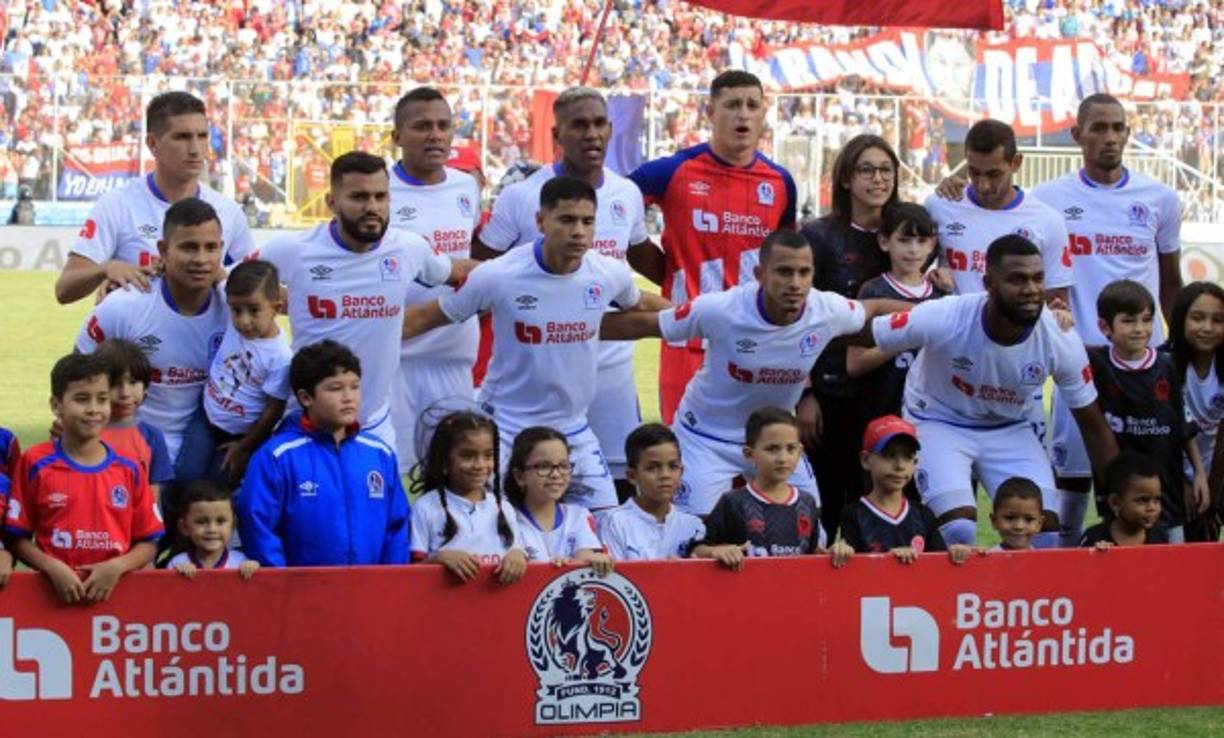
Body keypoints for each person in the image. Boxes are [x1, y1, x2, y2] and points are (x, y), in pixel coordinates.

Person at [937, 95, 1183, 519]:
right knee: (1071, 473)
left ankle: (1152, 568)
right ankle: (1070, 563)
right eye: (1099, 128)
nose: (1109, 137)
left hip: (1144, 360)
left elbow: (1171, 281)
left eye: (1117, 128)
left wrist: (1175, 352)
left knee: (1150, 474)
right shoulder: (1048, 200)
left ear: (1128, 132)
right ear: (1077, 135)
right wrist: (953, 188)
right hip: (1079, 355)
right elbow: (992, 212)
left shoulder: (1161, 199)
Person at [402, 176, 668, 514]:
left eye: (588, 221)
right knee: (491, 526)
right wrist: (364, 333)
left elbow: (640, 303)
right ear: (540, 221)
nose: (579, 231)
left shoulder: (608, 273)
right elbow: (428, 317)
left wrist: (698, 318)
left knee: (607, 527)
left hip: (574, 426)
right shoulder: (499, 275)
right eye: (567, 220)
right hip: (507, 424)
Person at [601, 229, 907, 515]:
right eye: (784, 272)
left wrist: (941, 312)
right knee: (693, 537)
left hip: (775, 441)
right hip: (706, 436)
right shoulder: (721, 309)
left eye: (804, 273)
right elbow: (646, 324)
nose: (796, 283)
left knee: (811, 529)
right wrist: (569, 327)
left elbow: (876, 307)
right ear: (759, 274)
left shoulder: (827, 310)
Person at [870, 235, 1120, 548]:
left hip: (1008, 426)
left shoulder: (1060, 338)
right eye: (1017, 279)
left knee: (1045, 535)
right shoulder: (947, 316)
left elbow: (1093, 424)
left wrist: (1116, 502)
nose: (1030, 289)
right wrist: (803, 333)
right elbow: (869, 329)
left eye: (1037, 278)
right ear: (989, 283)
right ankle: (954, 598)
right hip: (938, 419)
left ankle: (1022, 599)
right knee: (957, 531)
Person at [473, 87, 654, 495]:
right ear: (557, 134)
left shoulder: (626, 194)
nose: (591, 134)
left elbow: (639, 259)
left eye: (598, 124)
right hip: (541, 374)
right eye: (579, 125)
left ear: (610, 129)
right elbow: (482, 264)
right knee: (526, 483)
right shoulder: (521, 197)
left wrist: (689, 307)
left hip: (610, 366)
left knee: (615, 480)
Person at [254, 151, 474, 450]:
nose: (372, 207)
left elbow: (457, 271)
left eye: (380, 197)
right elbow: (236, 281)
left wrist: (519, 269)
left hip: (375, 424)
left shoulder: (408, 248)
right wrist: (289, 302)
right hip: (308, 420)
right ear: (332, 203)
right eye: (359, 197)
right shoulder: (293, 250)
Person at [628, 70, 797, 425]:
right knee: (684, 455)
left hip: (755, 341)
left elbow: (788, 263)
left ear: (764, 113)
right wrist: (665, 271)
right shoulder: (673, 171)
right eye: (732, 104)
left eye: (753, 105)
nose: (744, 114)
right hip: (687, 342)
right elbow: (616, 212)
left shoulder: (780, 183)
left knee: (754, 457)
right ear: (710, 112)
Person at [56, 91, 254, 304]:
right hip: (132, 336)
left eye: (202, 136)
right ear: (152, 144)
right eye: (182, 137)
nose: (196, 149)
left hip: (202, 338)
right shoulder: (118, 204)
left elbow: (256, 288)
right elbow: (65, 289)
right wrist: (107, 269)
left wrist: (218, 276)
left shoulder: (229, 212)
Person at [75, 198, 229, 469]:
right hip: (129, 452)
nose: (201, 259)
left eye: (211, 248)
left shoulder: (235, 310)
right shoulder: (123, 306)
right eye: (189, 247)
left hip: (204, 451)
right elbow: (77, 373)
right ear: (163, 250)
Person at [799, 134, 899, 540]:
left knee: (881, 513)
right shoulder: (819, 236)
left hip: (890, 393)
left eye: (886, 170)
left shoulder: (908, 230)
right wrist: (803, 393)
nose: (878, 179)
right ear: (845, 179)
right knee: (823, 508)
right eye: (867, 169)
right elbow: (799, 319)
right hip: (830, 393)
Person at [5, 354, 162, 603]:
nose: (93, 409)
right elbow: (16, 536)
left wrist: (116, 567)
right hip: (52, 597)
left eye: (102, 399)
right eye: (81, 399)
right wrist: (52, 568)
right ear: (57, 405)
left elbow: (149, 541)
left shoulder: (129, 469)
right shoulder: (35, 462)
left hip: (118, 600)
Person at [237, 340, 410, 567]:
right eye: (335, 388)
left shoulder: (380, 453)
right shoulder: (277, 457)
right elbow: (257, 525)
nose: (349, 397)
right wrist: (283, 587)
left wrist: (388, 584)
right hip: (300, 596)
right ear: (306, 397)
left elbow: (397, 525)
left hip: (371, 594)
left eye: (355, 386)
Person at [385, 88, 483, 475]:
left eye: (444, 126)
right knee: (396, 474)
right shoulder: (381, 192)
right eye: (422, 126)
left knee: (455, 475)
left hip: (453, 356)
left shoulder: (465, 188)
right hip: (395, 359)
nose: (435, 135)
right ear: (396, 137)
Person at [1077, 280, 1203, 544]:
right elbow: (1061, 344)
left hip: (1168, 493)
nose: (1140, 329)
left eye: (1147, 320)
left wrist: (1198, 474)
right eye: (1129, 321)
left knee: (1170, 568)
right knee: (1123, 567)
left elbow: (1184, 423)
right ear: (1104, 327)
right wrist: (1062, 319)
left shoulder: (1167, 365)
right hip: (1121, 493)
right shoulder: (1097, 364)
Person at [925, 119, 1071, 303]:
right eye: (974, 172)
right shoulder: (940, 206)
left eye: (994, 174)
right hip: (954, 331)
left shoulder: (1047, 221)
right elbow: (907, 274)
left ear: (1016, 163)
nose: (983, 185)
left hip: (1016, 332)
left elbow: (1056, 301)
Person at [187, 259, 291, 485]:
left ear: (276, 308)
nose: (243, 321)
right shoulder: (231, 295)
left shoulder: (280, 358)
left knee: (218, 484)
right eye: (235, 310)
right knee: (186, 474)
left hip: (240, 434)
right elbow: (214, 271)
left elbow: (273, 411)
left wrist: (244, 447)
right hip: (206, 416)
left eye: (254, 311)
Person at [847, 202, 948, 431]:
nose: (913, 250)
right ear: (885, 242)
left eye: (921, 241)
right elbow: (854, 364)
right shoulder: (873, 292)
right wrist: (902, 337)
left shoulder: (941, 294)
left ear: (931, 244)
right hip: (882, 412)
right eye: (904, 240)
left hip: (932, 417)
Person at [830, 415, 974, 566]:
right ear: (865, 460)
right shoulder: (855, 514)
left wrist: (956, 552)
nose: (900, 466)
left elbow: (938, 565)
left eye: (907, 457)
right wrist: (843, 551)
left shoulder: (923, 515)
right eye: (889, 455)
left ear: (915, 463)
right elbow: (853, 570)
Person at [408, 411, 528, 584]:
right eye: (467, 456)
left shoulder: (503, 507)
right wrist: (438, 559)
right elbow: (410, 574)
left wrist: (518, 556)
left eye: (488, 455)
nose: (480, 465)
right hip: (444, 608)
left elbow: (516, 552)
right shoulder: (426, 507)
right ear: (444, 461)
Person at [696, 408, 823, 568]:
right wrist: (715, 552)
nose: (783, 458)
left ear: (800, 452)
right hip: (746, 592)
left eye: (790, 449)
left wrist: (836, 551)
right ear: (749, 454)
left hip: (795, 592)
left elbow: (812, 555)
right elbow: (696, 550)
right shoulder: (733, 503)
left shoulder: (807, 503)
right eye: (772, 449)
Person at [504, 426, 614, 574]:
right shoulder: (506, 518)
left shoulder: (579, 515)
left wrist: (589, 560)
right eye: (543, 466)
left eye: (563, 466)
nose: (556, 474)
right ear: (519, 476)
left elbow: (584, 555)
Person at [598, 423, 707, 561]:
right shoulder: (614, 522)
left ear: (682, 471)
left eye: (673, 466)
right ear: (632, 476)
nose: (665, 475)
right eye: (652, 468)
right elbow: (615, 578)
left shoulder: (694, 526)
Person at [1167, 282, 1224, 542]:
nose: (1207, 328)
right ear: (1180, 319)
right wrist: (1181, 482)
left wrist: (1212, 494)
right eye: (1198, 318)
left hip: (1215, 477)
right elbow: (1158, 436)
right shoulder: (1162, 364)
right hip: (1169, 477)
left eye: (1218, 320)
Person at [91, 338, 173, 499]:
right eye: (115, 384)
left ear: (145, 388)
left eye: (133, 382)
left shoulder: (152, 437)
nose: (125, 393)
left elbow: (153, 495)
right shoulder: (87, 433)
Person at [166, 480, 259, 580]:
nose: (212, 529)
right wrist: (178, 578)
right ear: (184, 527)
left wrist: (254, 570)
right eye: (201, 522)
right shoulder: (177, 564)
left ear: (233, 526)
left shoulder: (241, 563)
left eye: (220, 521)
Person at [1080, 452, 1169, 547]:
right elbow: (1078, 560)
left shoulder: (1159, 537)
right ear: (1115, 503)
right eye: (1143, 500)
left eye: (1157, 500)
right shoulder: (1094, 538)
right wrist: (1096, 556)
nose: (1152, 507)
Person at [988, 478, 1045, 551]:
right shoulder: (987, 559)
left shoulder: (1043, 560)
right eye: (1010, 518)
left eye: (1029, 519)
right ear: (994, 521)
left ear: (1039, 524)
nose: (1019, 526)